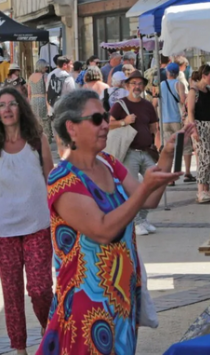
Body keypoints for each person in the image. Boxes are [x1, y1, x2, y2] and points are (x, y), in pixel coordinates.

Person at [38, 90, 184, 354]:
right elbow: (103, 230)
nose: (106, 124)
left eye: (105, 117)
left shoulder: (108, 162)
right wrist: (144, 188)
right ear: (71, 127)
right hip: (87, 305)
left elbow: (148, 200)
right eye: (96, 119)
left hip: (120, 297)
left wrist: (166, 155)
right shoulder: (62, 179)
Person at [0, 87, 53, 355]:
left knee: (40, 288)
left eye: (12, 104)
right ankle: (19, 348)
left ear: (22, 108)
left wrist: (64, 220)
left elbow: (52, 181)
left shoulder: (37, 141)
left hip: (38, 226)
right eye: (1, 105)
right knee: (12, 292)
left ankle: (47, 325)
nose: (6, 109)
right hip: (3, 230)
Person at [107, 71, 161, 236]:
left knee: (154, 186)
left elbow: (154, 127)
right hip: (129, 153)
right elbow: (108, 124)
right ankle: (136, 222)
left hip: (146, 151)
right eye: (133, 83)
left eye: (139, 84)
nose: (137, 86)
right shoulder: (120, 105)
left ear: (143, 86)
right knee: (133, 190)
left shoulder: (147, 105)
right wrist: (124, 121)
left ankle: (143, 219)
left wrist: (156, 145)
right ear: (127, 86)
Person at [186, 66, 210, 204]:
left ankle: (206, 188)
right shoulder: (194, 91)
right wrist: (194, 129)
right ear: (204, 76)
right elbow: (191, 111)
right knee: (203, 158)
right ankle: (200, 190)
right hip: (200, 126)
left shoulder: (209, 91)